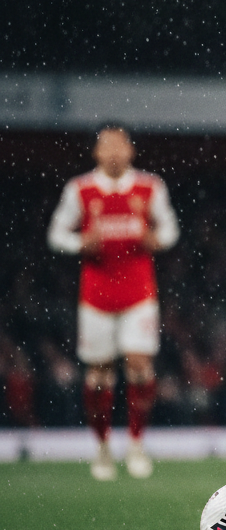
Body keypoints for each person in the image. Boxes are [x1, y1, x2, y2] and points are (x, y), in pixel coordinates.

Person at [48, 125, 179, 480]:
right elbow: (57, 233)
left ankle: (136, 444)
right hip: (96, 296)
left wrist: (157, 239)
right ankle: (103, 447)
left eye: (120, 145)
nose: (114, 152)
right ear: (97, 152)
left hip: (139, 293)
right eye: (107, 146)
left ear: (131, 151)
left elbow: (170, 229)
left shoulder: (150, 187)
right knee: (100, 375)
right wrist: (79, 244)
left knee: (139, 366)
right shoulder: (80, 189)